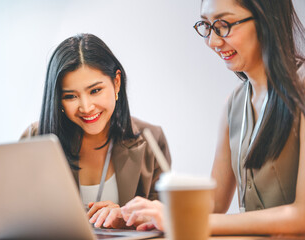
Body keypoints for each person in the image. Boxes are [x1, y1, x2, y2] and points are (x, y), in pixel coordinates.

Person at [116, 0, 305, 235]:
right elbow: (214, 203)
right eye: (206, 26)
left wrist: (179, 219)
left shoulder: (301, 89)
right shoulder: (234, 104)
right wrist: (140, 213)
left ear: (266, 19)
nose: (213, 41)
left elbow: (301, 215)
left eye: (224, 24)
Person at [20, 33, 172, 229]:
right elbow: (0, 210)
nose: (86, 107)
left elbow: (168, 218)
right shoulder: (36, 138)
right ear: (58, 99)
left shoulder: (151, 139)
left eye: (95, 91)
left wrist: (125, 217)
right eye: (70, 96)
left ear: (116, 83)